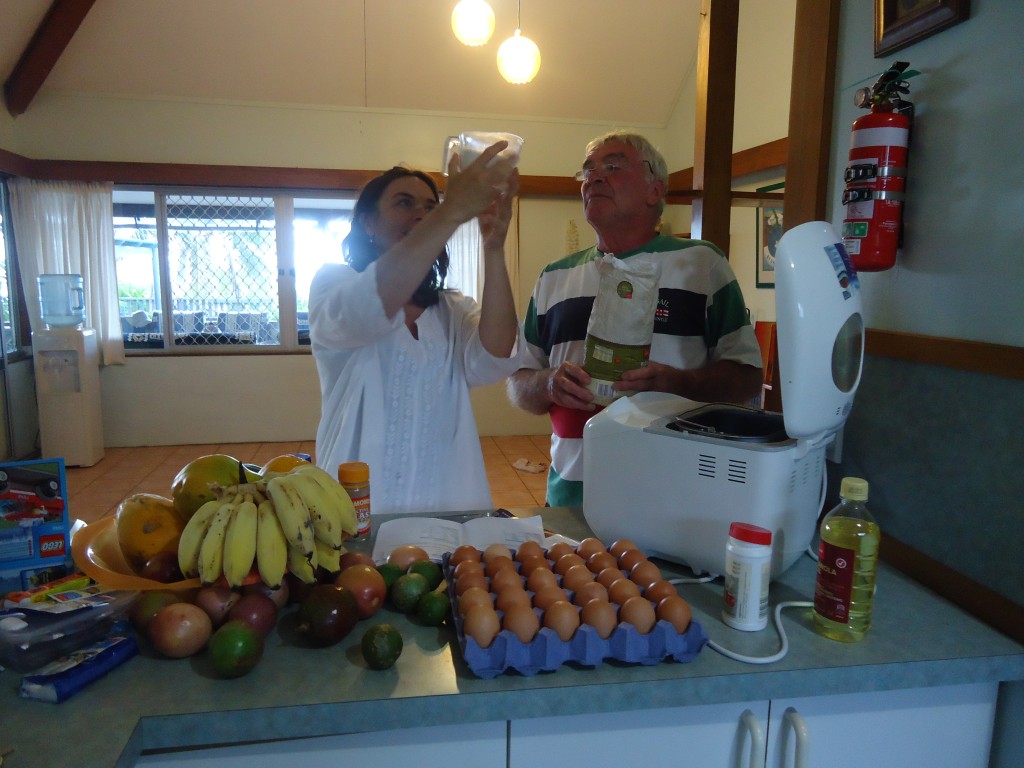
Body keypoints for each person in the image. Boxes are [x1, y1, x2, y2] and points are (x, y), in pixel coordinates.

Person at [507, 132, 763, 507]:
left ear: (654, 190)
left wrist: (676, 382)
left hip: (675, 499)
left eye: (612, 166)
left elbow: (747, 377)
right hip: (572, 498)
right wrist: (547, 385)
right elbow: (518, 383)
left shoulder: (701, 264)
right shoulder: (553, 277)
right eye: (588, 170)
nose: (594, 177)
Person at [309, 143, 522, 515]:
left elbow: (496, 357)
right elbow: (367, 309)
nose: (421, 214)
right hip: (355, 511)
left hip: (446, 508)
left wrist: (494, 248)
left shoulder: (449, 309)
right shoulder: (335, 284)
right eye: (404, 203)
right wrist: (451, 212)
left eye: (429, 206)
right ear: (368, 222)